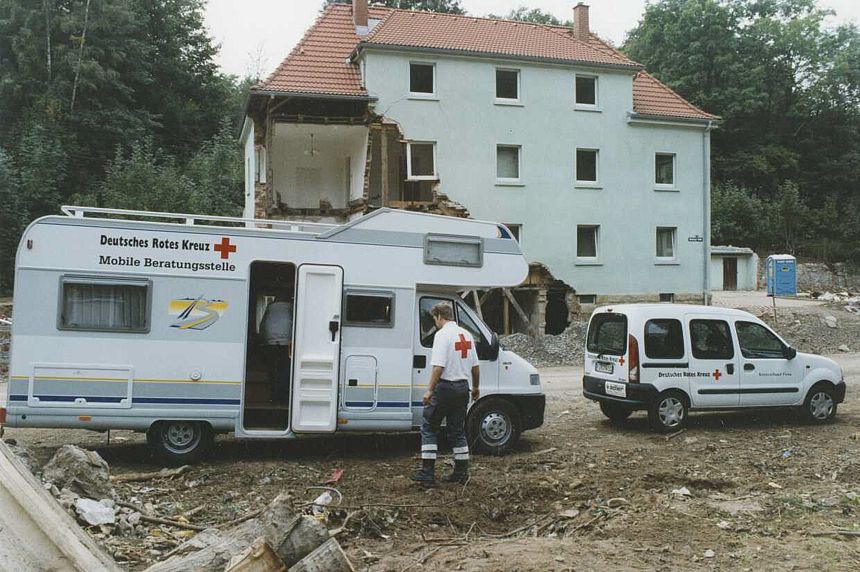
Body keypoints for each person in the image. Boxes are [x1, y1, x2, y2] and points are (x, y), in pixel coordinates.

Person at [411, 302, 480, 485]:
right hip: (462, 388)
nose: (436, 323)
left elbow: (438, 367)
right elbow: (475, 366)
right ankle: (461, 472)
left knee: (429, 426)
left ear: (440, 317)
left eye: (435, 319)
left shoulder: (442, 336)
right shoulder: (467, 335)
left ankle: (427, 473)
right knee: (457, 430)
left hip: (445, 388)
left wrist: (429, 390)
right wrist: (476, 388)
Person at [259, 294, 293, 403]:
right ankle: (283, 396)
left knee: (273, 370)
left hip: (271, 341)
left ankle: (274, 395)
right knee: (285, 371)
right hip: (287, 342)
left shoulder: (269, 307)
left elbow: (262, 325)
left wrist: (264, 339)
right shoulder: (291, 307)